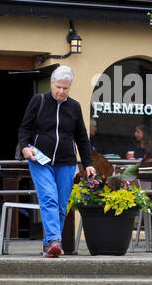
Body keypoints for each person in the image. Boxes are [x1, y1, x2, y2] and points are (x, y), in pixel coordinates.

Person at [17, 66, 97, 257]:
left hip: (66, 162)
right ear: (52, 84)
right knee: (49, 199)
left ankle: (50, 246)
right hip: (39, 160)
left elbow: (82, 138)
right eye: (58, 87)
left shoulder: (74, 107)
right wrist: (24, 147)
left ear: (70, 87)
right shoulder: (39, 100)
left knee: (61, 205)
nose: (61, 91)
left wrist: (88, 164)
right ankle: (55, 240)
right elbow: (24, 129)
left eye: (65, 88)